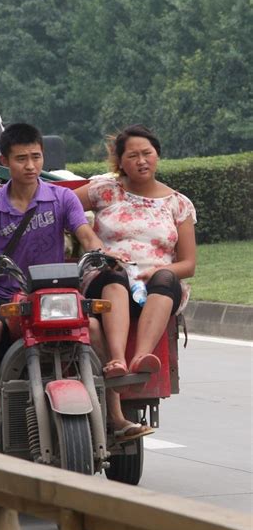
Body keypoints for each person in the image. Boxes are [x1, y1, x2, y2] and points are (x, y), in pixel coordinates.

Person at [0, 122, 106, 445]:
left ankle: (111, 406)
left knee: (93, 328)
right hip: (5, 297)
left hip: (52, 295)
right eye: (21, 158)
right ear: (4, 161)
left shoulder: (62, 198)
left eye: (36, 157)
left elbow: (85, 233)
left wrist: (99, 251)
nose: (30, 166)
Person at [75, 124, 196, 440]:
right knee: (114, 275)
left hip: (156, 286)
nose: (142, 161)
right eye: (133, 155)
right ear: (120, 160)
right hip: (109, 278)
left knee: (168, 276)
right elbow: (61, 205)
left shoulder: (178, 203)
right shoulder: (105, 190)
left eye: (147, 153)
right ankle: (116, 360)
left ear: (157, 155)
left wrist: (156, 271)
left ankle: (141, 357)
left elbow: (188, 264)